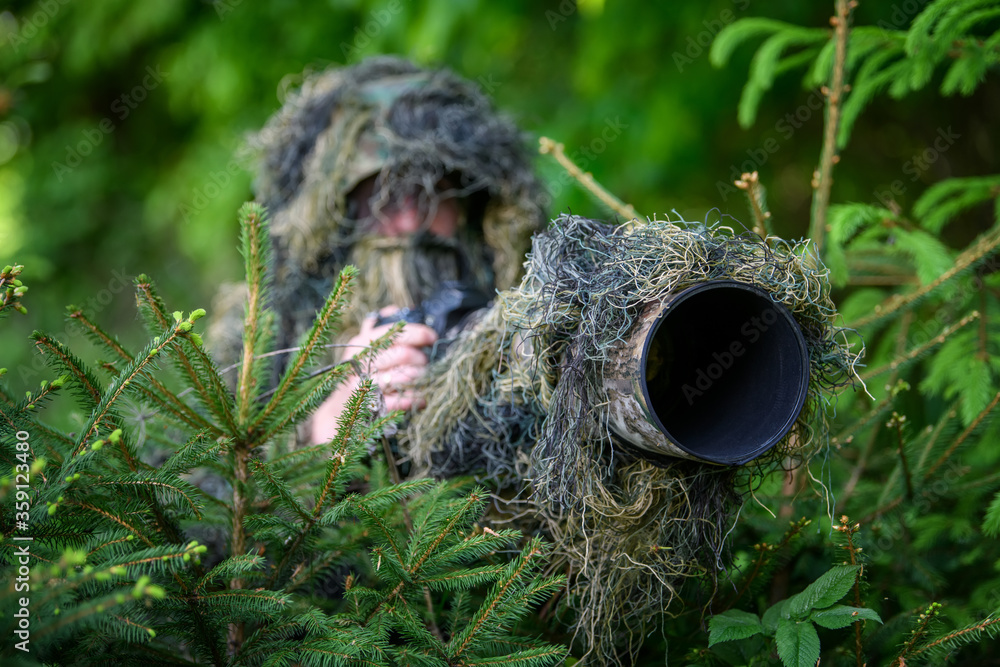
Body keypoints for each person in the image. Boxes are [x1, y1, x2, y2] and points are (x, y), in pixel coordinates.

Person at [211, 56, 546, 444]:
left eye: (428, 194)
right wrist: (327, 425)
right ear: (334, 216)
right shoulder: (263, 337)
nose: (407, 225)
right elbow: (209, 486)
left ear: (473, 204)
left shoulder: (538, 293)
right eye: (382, 201)